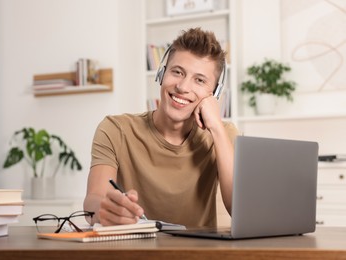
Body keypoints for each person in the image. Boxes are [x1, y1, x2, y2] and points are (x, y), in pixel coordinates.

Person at [83, 27, 239, 228]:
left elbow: (238, 209)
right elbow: (93, 200)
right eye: (177, 72)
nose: (182, 87)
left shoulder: (224, 135)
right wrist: (106, 210)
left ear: (214, 94)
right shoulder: (115, 130)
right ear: (161, 74)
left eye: (199, 80)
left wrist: (216, 127)